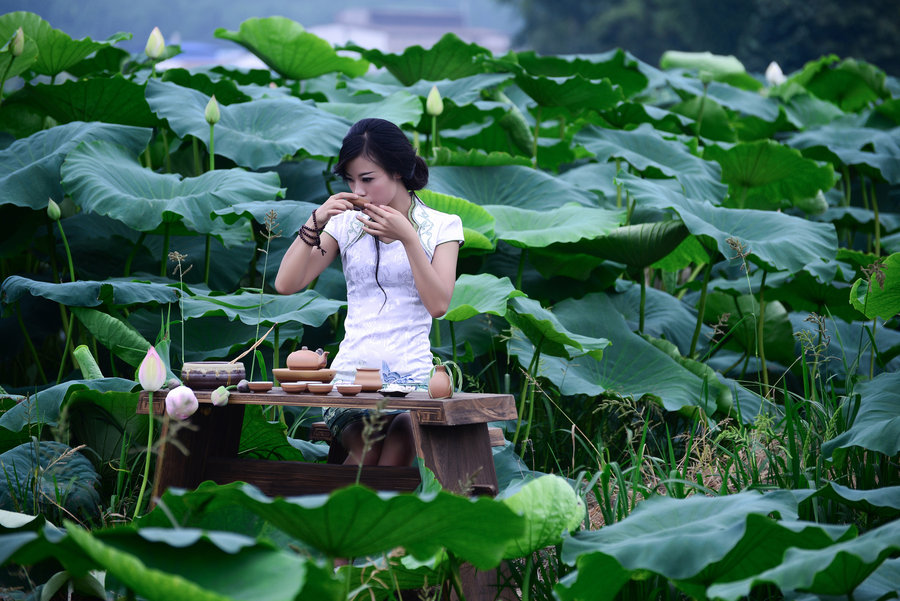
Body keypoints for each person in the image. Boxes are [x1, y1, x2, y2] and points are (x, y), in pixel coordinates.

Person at [274, 118, 464, 467]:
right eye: (349, 180)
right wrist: (316, 219)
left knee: (402, 436)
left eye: (367, 179)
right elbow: (286, 284)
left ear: (398, 171)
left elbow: (438, 304)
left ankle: (347, 515)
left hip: (415, 385)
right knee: (369, 447)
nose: (357, 192)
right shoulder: (344, 224)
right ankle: (348, 516)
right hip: (349, 385)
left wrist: (407, 236)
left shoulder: (442, 226)